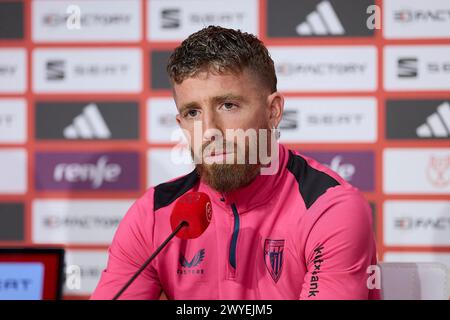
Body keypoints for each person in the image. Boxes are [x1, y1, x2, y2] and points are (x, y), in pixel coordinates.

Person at [91, 26, 379, 300]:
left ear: (273, 111)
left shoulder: (328, 208)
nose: (209, 129)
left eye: (228, 105)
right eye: (193, 112)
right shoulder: (153, 215)